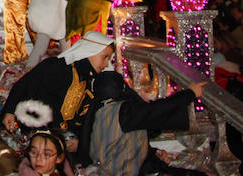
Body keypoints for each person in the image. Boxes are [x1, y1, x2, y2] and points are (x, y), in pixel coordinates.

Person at [77, 71, 207, 176]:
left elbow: (118, 144)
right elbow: (158, 110)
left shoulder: (98, 111)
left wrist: (153, 152)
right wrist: (190, 93)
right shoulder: (122, 111)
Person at [1, 32, 114, 142]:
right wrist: (10, 111)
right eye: (105, 57)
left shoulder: (88, 83)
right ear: (91, 51)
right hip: (35, 139)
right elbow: (24, 85)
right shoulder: (56, 67)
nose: (106, 64)